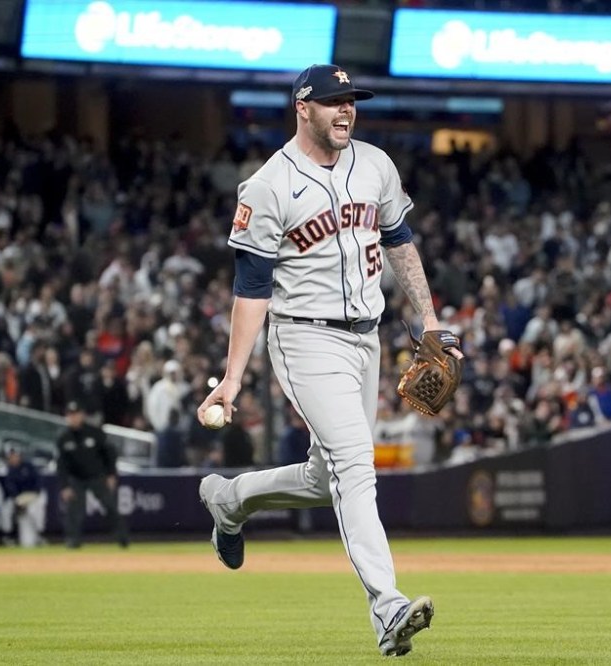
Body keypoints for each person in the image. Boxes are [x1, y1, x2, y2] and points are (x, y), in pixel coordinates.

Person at [196, 63, 462, 657]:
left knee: (327, 478)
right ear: (302, 108)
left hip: (365, 338)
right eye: (333, 101)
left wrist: (431, 321)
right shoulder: (269, 185)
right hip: (304, 337)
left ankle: (229, 500)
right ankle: (388, 608)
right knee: (356, 464)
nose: (346, 110)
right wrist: (233, 378)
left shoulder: (375, 165)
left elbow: (400, 243)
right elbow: (251, 285)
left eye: (352, 101)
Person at [55, 400, 128, 548]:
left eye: (76, 414)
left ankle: (123, 538)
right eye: (70, 415)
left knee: (110, 506)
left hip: (97, 476)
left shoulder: (94, 432)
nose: (73, 418)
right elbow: (61, 465)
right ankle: (73, 541)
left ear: (82, 415)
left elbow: (110, 454)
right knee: (74, 511)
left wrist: (111, 474)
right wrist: (64, 486)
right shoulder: (63, 437)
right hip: (76, 478)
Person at [0, 445, 45, 548]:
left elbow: (38, 483)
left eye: (15, 456)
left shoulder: (28, 467)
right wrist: (18, 502)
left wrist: (31, 497)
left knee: (35, 511)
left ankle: (39, 535)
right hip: (19, 498)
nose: (14, 458)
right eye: (11, 457)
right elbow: (10, 489)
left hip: (33, 496)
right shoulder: (9, 471)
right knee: (6, 510)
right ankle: (8, 537)